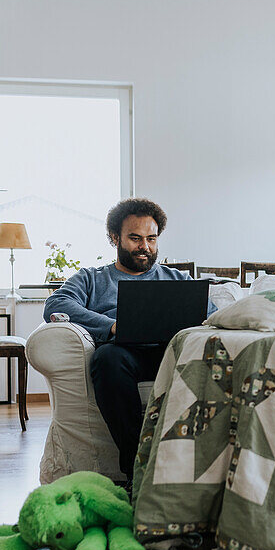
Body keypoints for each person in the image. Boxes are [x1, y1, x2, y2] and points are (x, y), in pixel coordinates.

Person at [43, 197, 203, 480]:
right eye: (135, 238)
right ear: (114, 237)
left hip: (170, 351)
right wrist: (113, 326)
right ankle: (136, 469)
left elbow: (212, 314)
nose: (145, 246)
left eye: (151, 239)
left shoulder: (175, 278)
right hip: (122, 354)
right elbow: (56, 305)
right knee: (107, 359)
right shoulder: (92, 278)